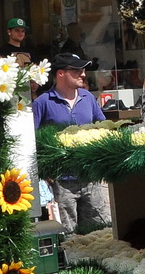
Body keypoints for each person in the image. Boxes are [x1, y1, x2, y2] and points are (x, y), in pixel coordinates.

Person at [32, 53, 110, 228]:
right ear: (60, 73)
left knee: (100, 230)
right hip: (61, 182)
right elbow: (33, 142)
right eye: (76, 70)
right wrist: (45, 173)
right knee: (67, 235)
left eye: (82, 70)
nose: (82, 74)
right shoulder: (42, 103)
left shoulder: (88, 98)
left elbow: (104, 128)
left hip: (91, 178)